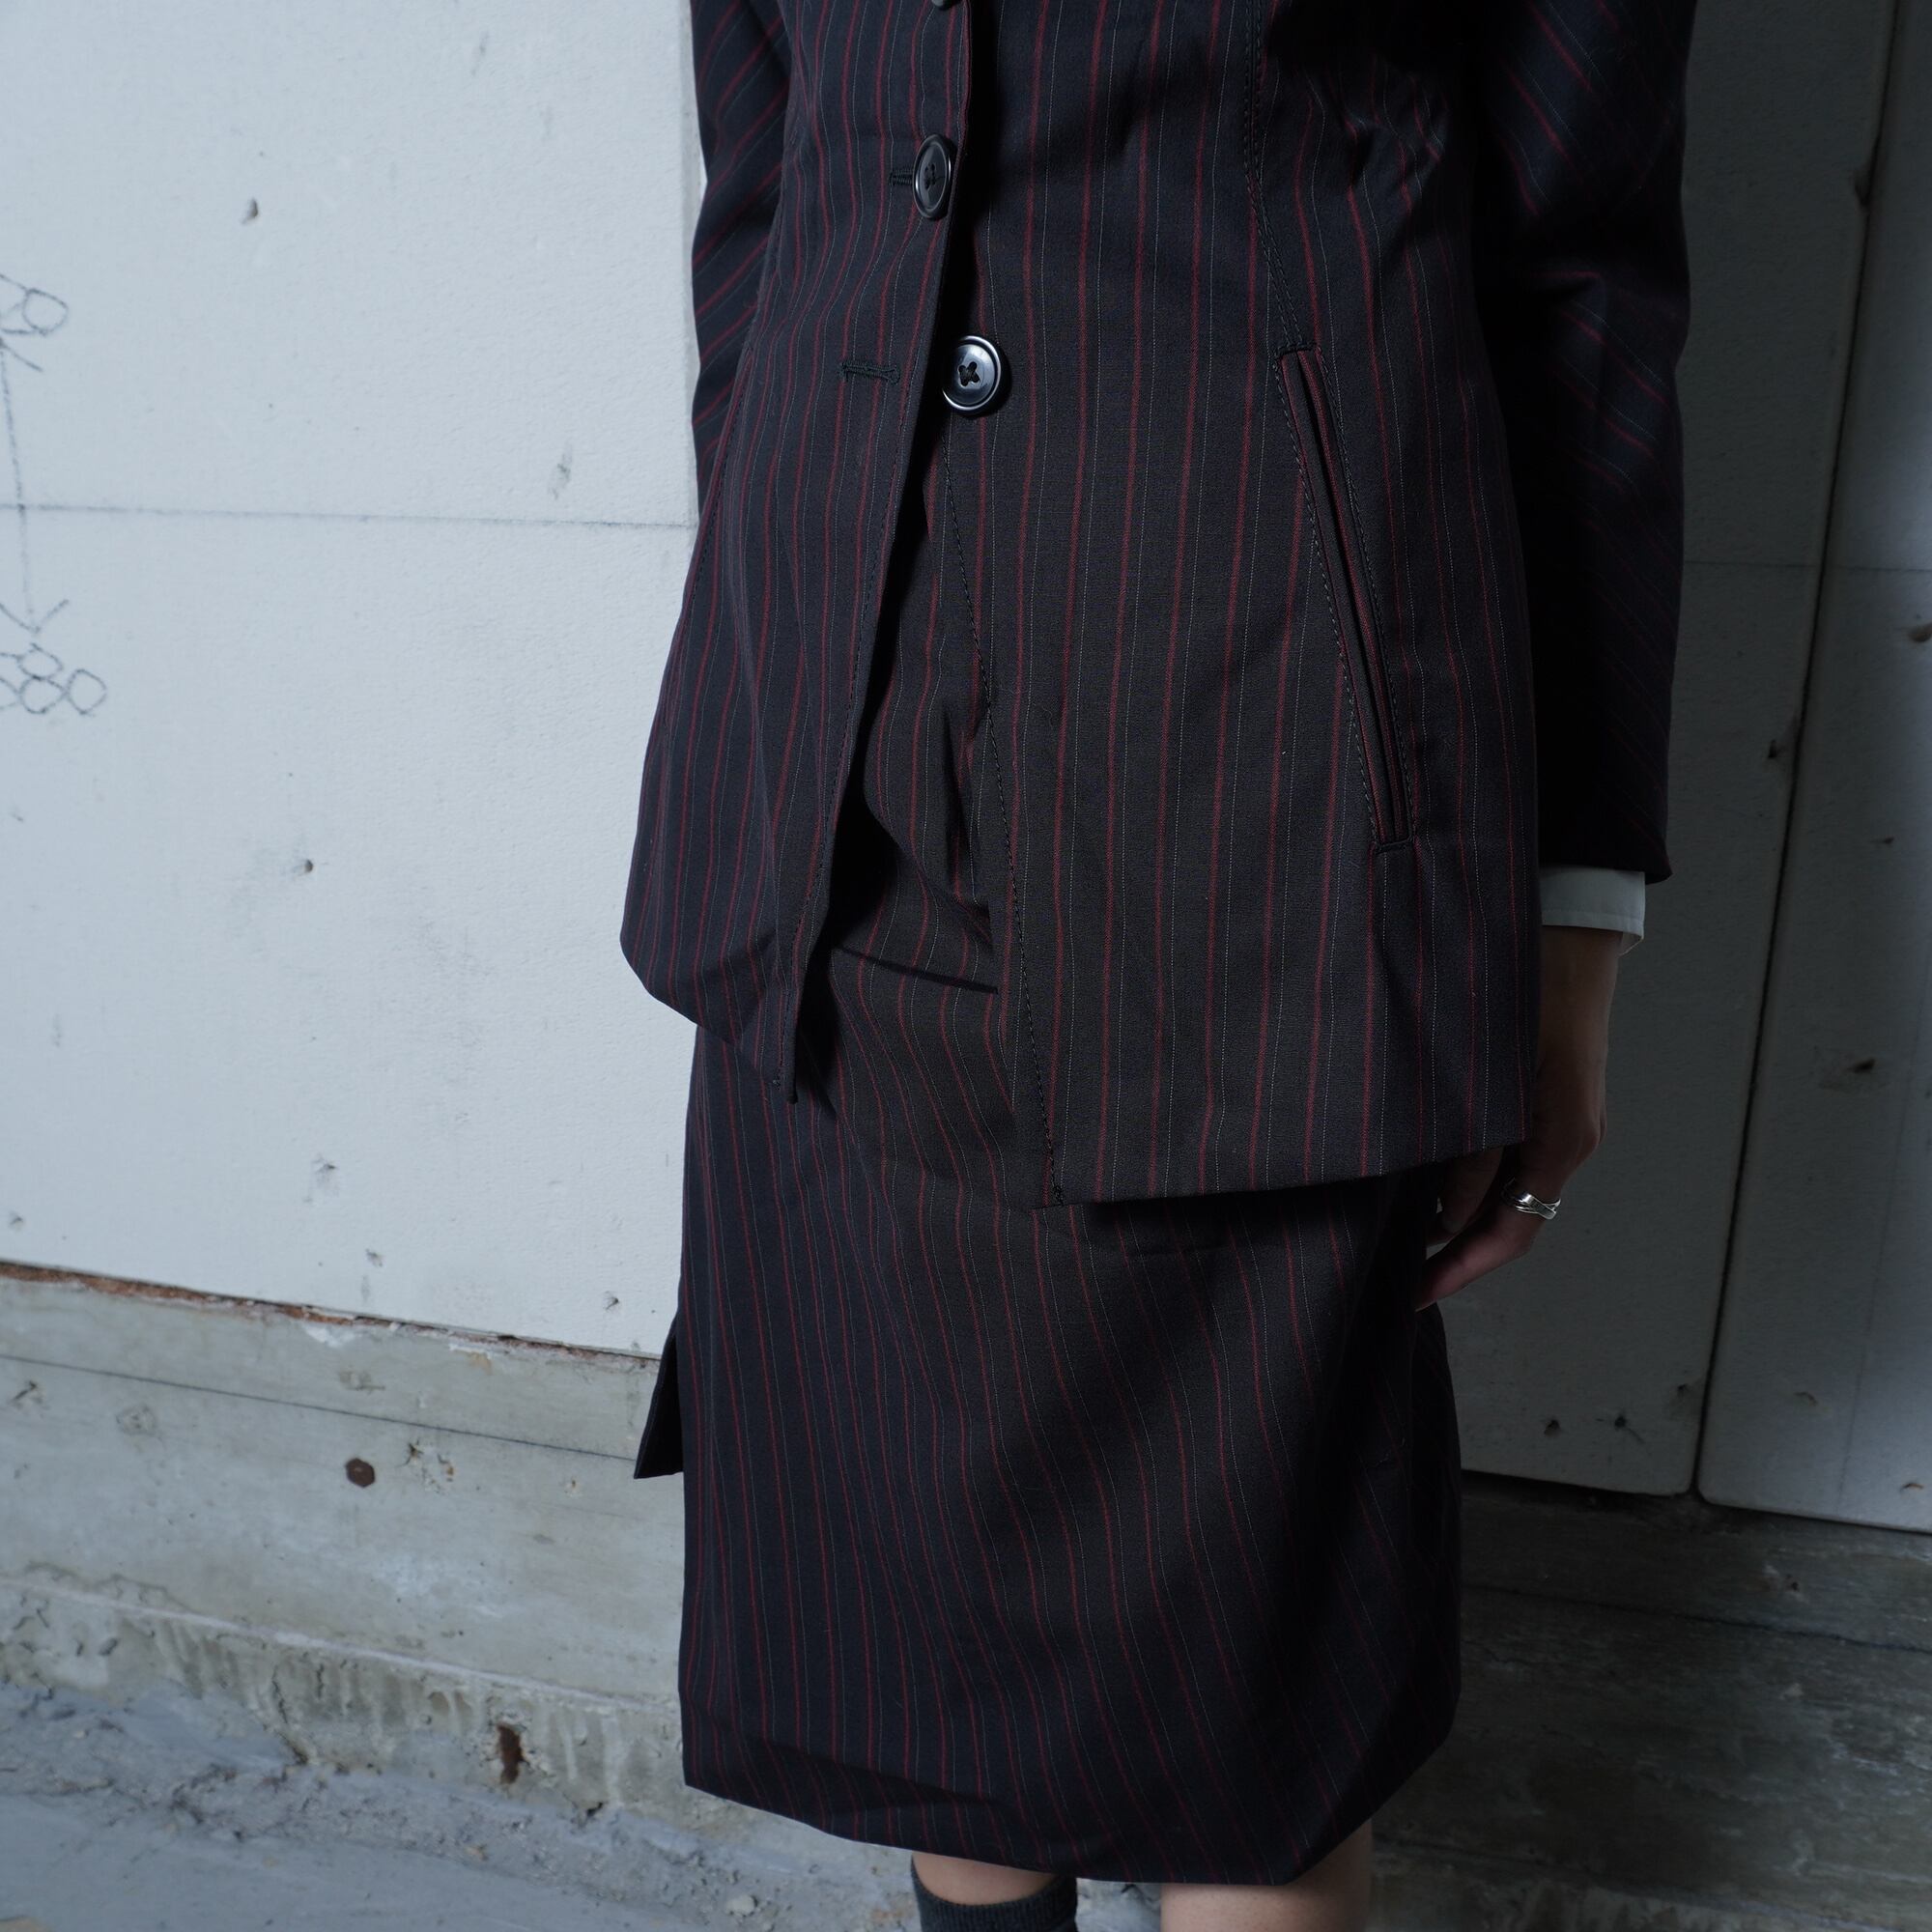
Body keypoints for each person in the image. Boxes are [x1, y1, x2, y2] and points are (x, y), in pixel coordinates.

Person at [619, 2, 1694, 1927]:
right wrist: (785, 605)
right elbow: (765, 197)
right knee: (918, 1635)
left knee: (1245, 1722)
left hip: (1260, 779)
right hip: (830, 788)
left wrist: (1570, 913)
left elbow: (1580, 284)